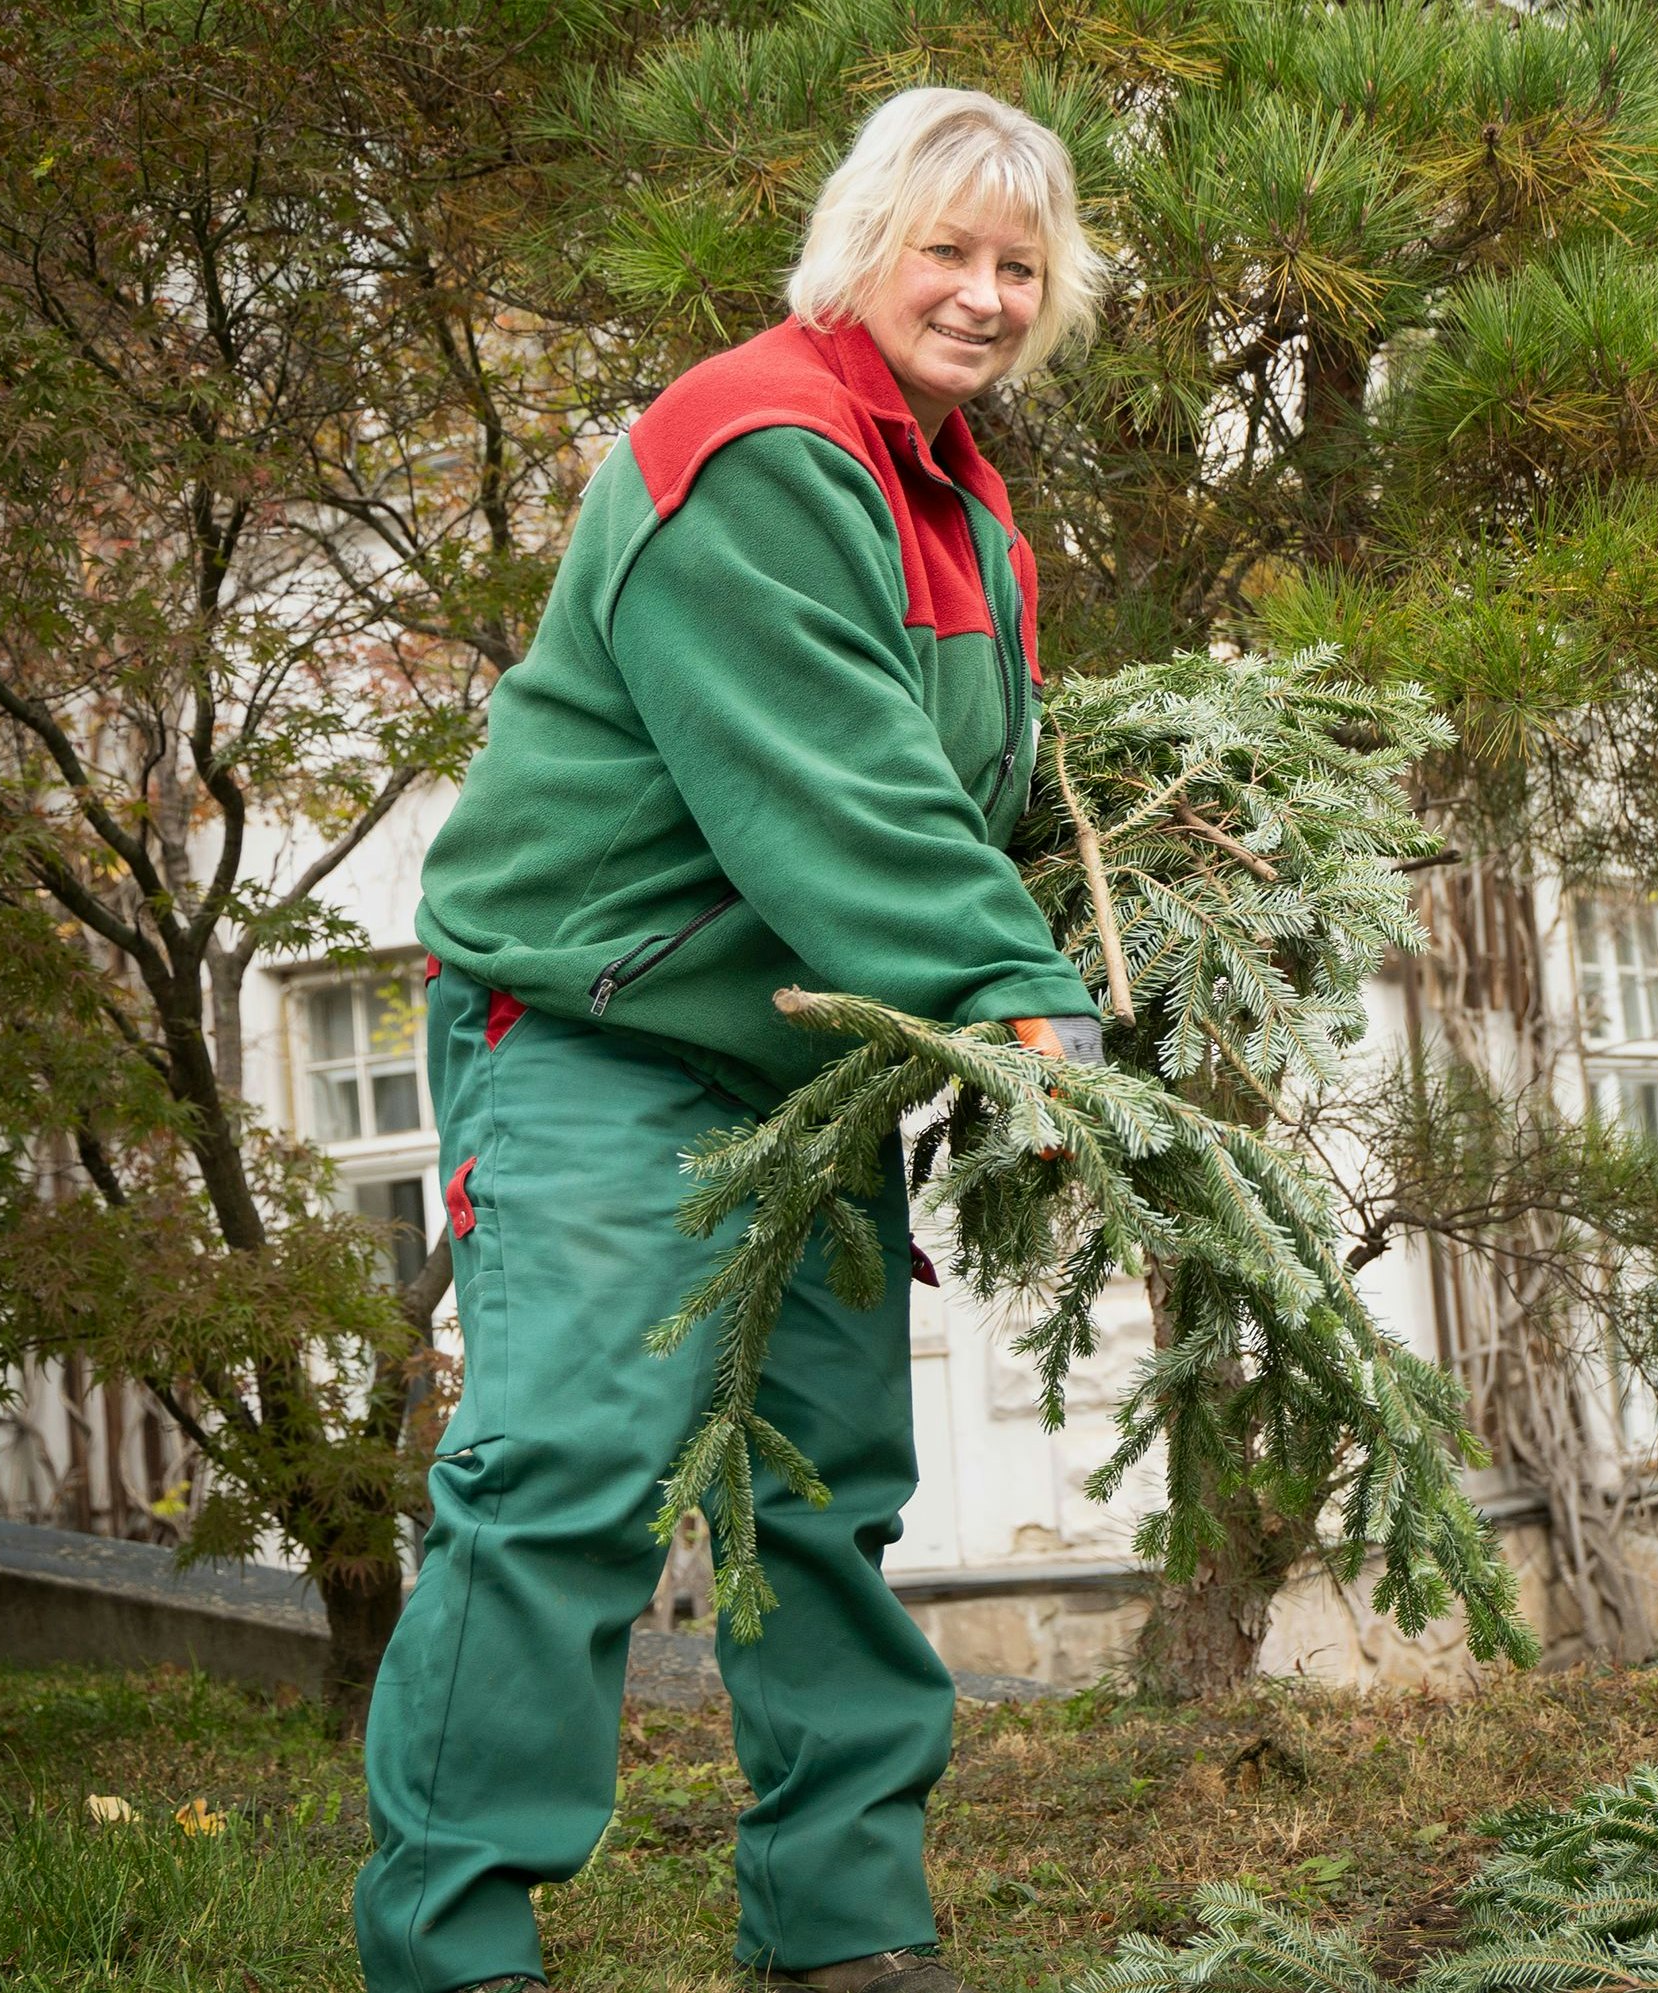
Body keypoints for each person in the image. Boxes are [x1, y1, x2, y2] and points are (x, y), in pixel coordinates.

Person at [353, 88, 1110, 1993]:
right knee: (567, 1473)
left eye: (1021, 265)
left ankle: (845, 1929)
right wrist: (1023, 995)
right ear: (862, 247)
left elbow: (970, 784)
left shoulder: (956, 495)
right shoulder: (760, 442)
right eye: (949, 249)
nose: (986, 292)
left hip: (797, 1058)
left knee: (825, 1495)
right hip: (604, 1030)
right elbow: (837, 788)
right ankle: (450, 1947)